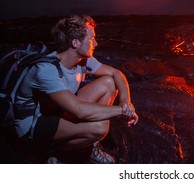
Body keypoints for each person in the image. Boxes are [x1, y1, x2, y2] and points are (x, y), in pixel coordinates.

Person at [13, 15, 138, 163]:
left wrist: (125, 102)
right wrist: (123, 111)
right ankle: (54, 152)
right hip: (34, 124)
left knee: (108, 83)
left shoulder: (82, 61)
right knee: (100, 127)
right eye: (91, 39)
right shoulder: (46, 70)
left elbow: (116, 73)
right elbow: (80, 110)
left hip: (57, 109)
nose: (96, 43)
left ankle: (89, 144)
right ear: (75, 42)